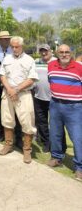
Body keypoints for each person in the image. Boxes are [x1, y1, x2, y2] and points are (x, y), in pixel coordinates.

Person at [0, 36, 38, 164]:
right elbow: (2, 75)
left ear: (22, 46)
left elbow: (31, 78)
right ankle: (8, 145)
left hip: (23, 94)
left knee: (27, 122)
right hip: (8, 93)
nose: (14, 49)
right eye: (12, 47)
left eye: (17, 47)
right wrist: (9, 89)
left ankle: (27, 150)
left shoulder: (29, 60)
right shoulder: (7, 58)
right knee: (7, 119)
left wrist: (16, 90)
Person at [47, 44, 82, 181]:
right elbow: (52, 81)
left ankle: (80, 167)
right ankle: (56, 158)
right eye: (61, 52)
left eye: (67, 52)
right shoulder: (51, 66)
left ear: (71, 53)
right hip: (55, 104)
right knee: (55, 134)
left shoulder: (79, 68)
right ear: (57, 53)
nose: (64, 54)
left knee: (77, 138)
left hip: (74, 107)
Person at [34, 44, 56, 152]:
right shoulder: (36, 62)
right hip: (38, 97)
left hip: (54, 98)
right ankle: (46, 142)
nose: (43, 53)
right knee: (42, 122)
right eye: (41, 51)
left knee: (55, 123)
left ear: (50, 51)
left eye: (45, 51)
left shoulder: (56, 61)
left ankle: (55, 143)